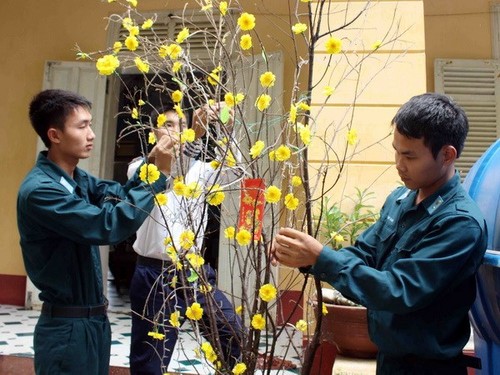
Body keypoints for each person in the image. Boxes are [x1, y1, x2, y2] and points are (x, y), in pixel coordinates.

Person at [271, 93, 487, 374]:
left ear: (447, 155)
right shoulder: (401, 200)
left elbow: (398, 291)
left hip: (428, 368)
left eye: (409, 155)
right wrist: (304, 256)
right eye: (396, 151)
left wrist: (321, 258)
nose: (399, 163)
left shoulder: (459, 223)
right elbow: (364, 253)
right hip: (388, 361)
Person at [17, 89, 176, 375]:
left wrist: (150, 165)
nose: (91, 134)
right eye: (82, 126)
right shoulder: (42, 191)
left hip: (93, 324)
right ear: (55, 135)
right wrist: (159, 178)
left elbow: (118, 196)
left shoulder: (75, 179)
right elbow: (107, 225)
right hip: (66, 329)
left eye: (90, 124)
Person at [128, 104, 243, 375]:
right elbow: (171, 173)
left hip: (194, 272)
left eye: (181, 125)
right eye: (168, 125)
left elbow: (236, 173)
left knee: (231, 334)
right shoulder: (140, 168)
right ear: (153, 132)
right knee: (152, 356)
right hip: (154, 273)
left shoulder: (202, 170)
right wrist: (196, 133)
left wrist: (227, 127)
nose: (177, 131)